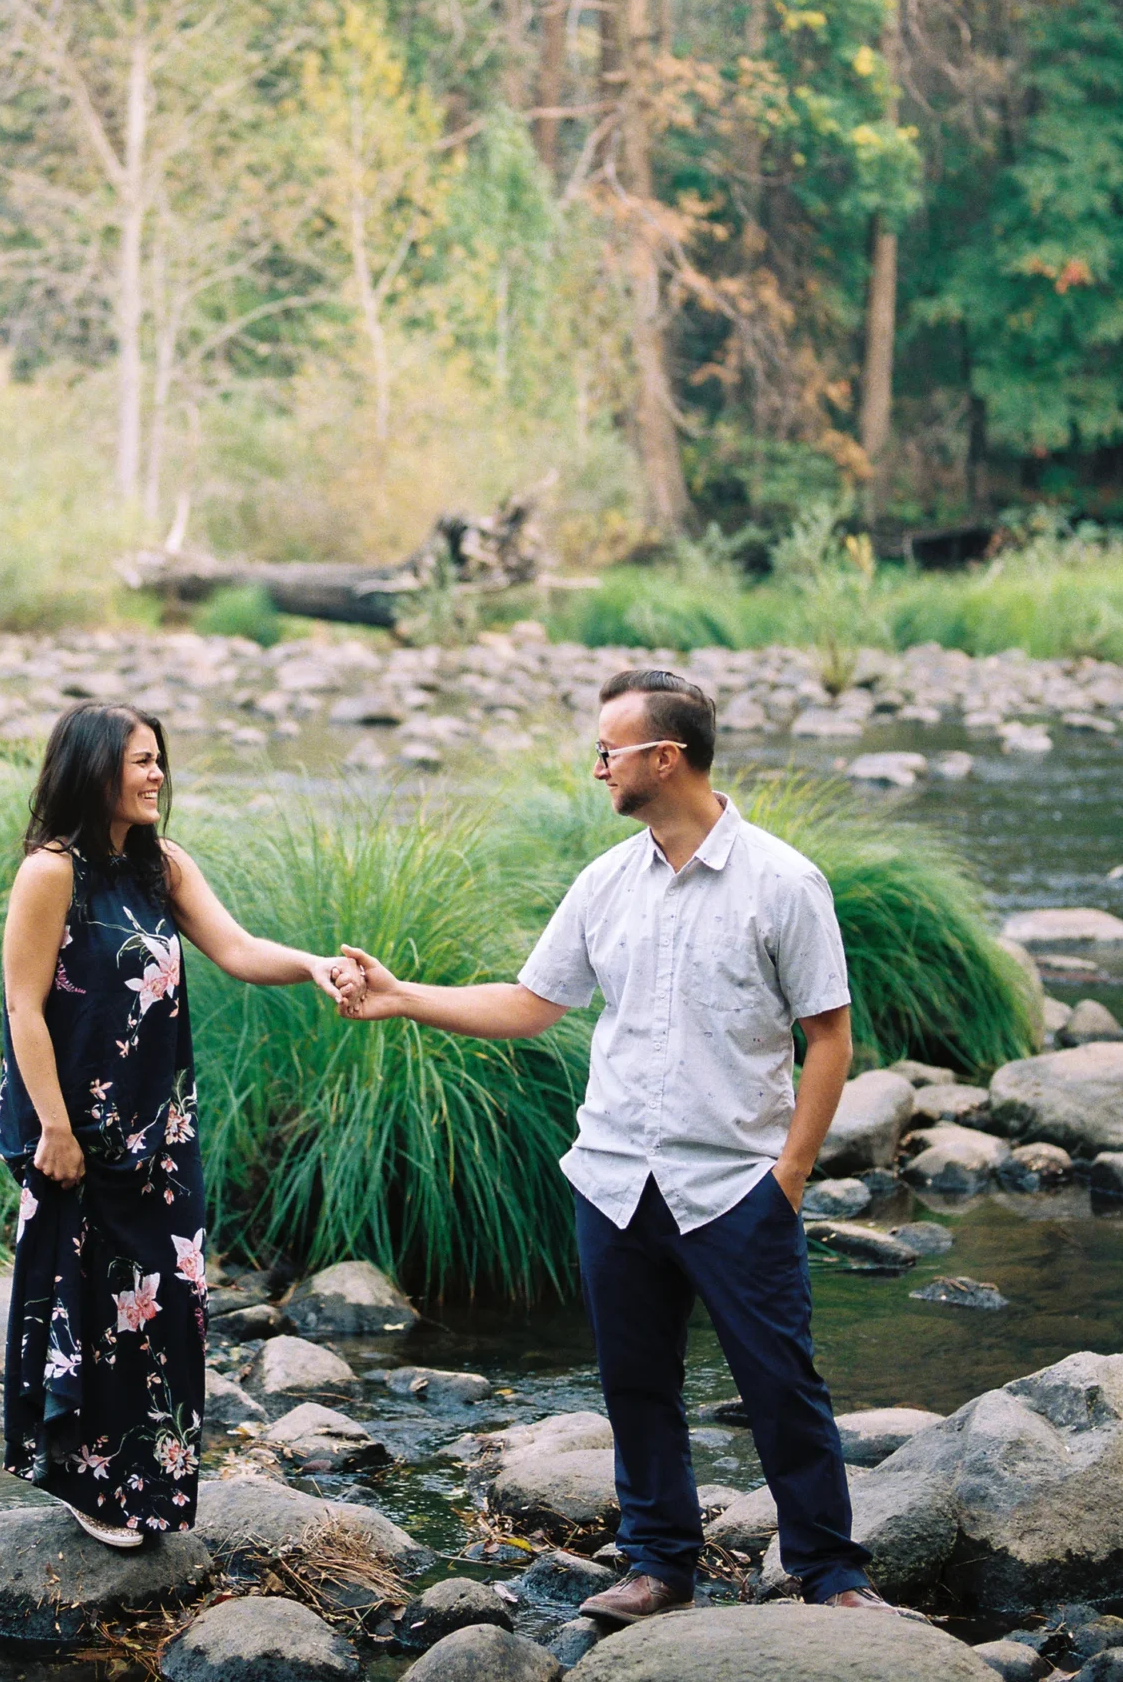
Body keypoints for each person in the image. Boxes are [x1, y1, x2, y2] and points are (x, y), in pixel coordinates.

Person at [335, 665, 888, 1620]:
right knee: (637, 1385)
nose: (597, 768)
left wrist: (789, 1177)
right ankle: (659, 1567)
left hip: (734, 1186)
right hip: (615, 1178)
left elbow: (829, 1035)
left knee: (778, 1384)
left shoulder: (784, 883)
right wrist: (401, 999)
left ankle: (832, 1575)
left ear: (664, 758)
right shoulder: (604, 883)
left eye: (609, 751)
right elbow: (531, 1003)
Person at [0, 701, 346, 1548]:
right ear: (94, 769)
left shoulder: (162, 865)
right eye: (141, 761)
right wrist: (56, 1128)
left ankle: (147, 1489)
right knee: (91, 1305)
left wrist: (309, 964)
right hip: (74, 1133)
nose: (158, 776)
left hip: (161, 1133)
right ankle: (89, 1485)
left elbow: (235, 948)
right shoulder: (52, 872)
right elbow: (23, 1005)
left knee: (166, 1302)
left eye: (160, 760)